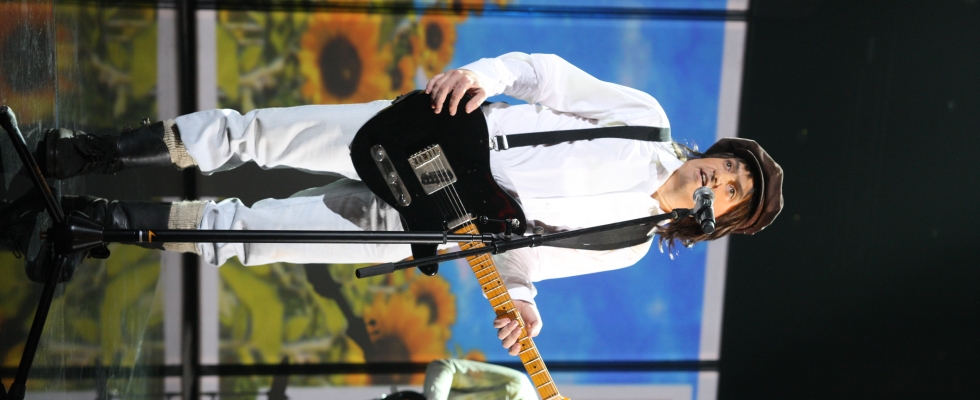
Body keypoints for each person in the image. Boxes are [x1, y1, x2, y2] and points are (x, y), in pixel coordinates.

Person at [1, 52, 784, 356]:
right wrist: (484, 75)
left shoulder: (631, 243)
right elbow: (545, 75)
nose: (722, 181)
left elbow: (522, 258)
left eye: (735, 194)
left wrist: (523, 304)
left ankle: (92, 221)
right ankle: (88, 151)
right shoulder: (646, 119)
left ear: (723, 220)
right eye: (731, 168)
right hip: (432, 141)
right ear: (718, 152)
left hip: (429, 227)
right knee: (257, 135)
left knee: (247, 236)